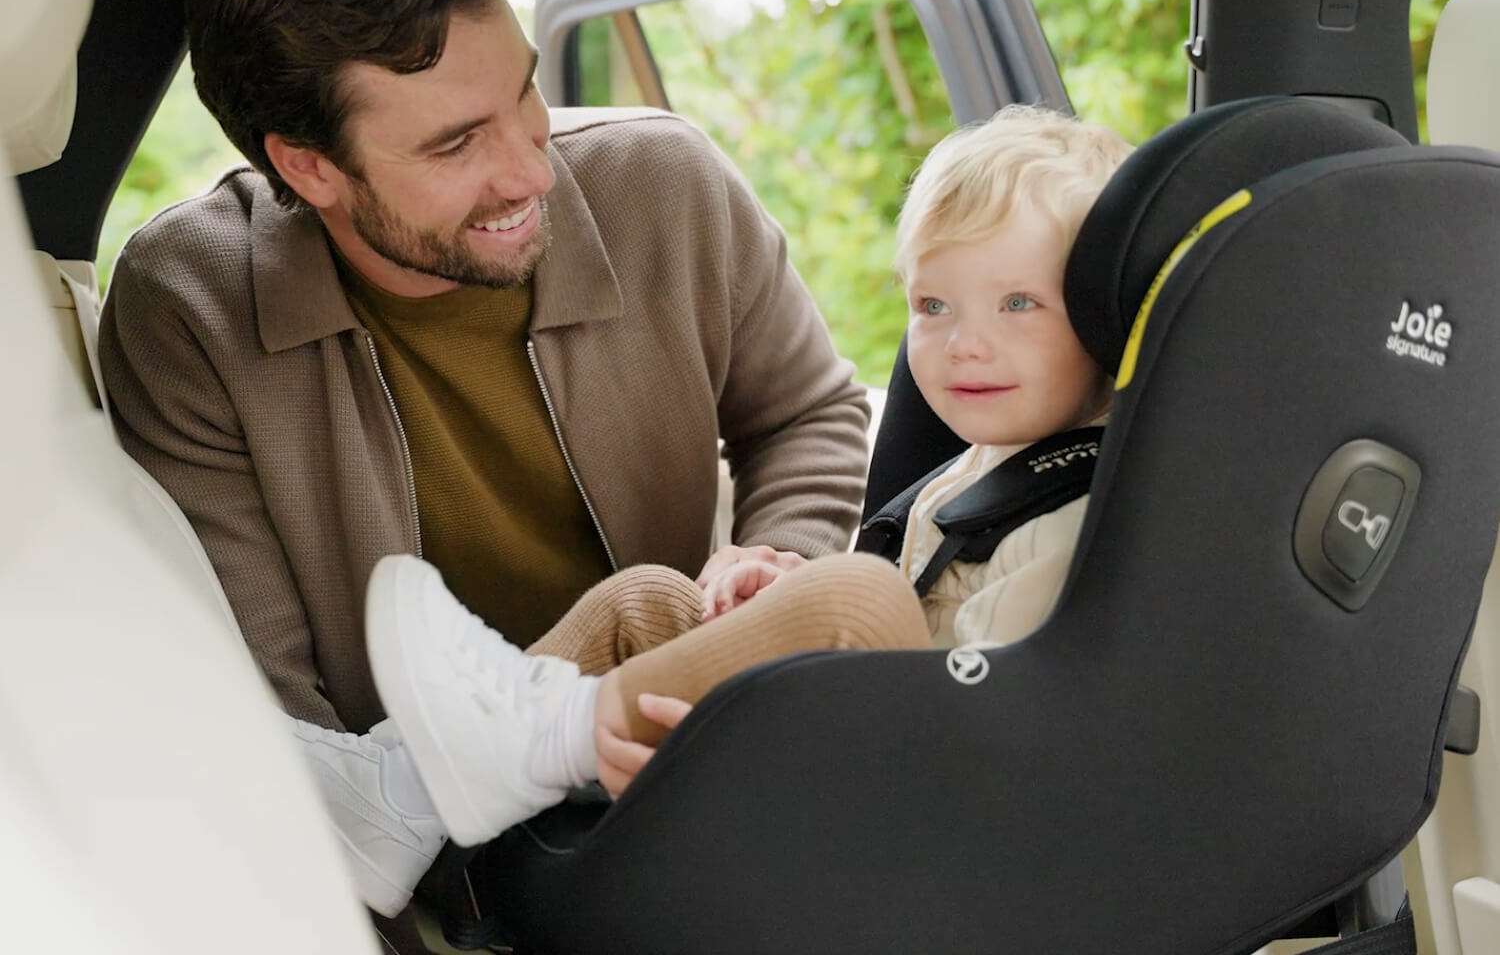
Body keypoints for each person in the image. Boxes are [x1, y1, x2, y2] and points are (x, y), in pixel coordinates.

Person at [97, 0, 870, 936]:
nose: (530, 169)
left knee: (814, 602)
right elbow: (271, 709)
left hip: (683, 753)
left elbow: (809, 416)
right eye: (456, 144)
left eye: (525, 95)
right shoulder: (190, 307)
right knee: (846, 612)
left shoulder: (663, 184)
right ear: (309, 167)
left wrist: (767, 566)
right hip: (460, 870)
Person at [360, 104, 1134, 863]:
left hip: (922, 817)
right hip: (873, 739)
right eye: (932, 305)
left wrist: (806, 650)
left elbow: (989, 737)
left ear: (1109, 320)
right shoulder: (973, 469)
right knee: (651, 600)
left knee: (859, 595)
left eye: (1019, 304)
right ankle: (393, 782)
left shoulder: (1071, 521)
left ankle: (500, 755)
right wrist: (787, 591)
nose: (964, 344)